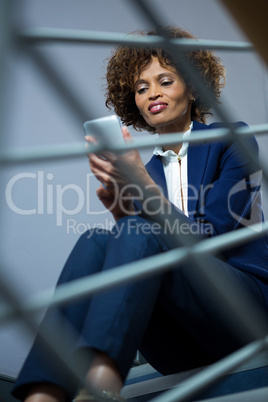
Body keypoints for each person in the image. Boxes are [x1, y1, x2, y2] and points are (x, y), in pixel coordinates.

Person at [12, 26, 268, 402]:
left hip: (244, 314)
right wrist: (122, 212)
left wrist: (143, 191)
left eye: (165, 80)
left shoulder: (232, 140)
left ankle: (99, 382)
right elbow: (148, 256)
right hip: (182, 341)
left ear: (194, 88)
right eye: (141, 88)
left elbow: (215, 238)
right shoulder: (147, 169)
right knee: (96, 238)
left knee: (136, 228)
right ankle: (45, 393)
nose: (153, 94)